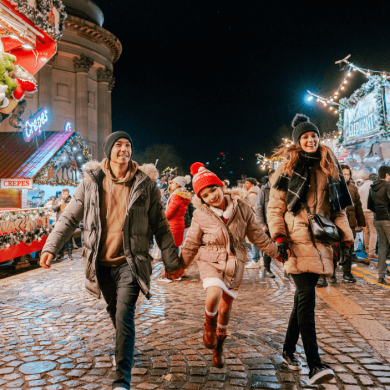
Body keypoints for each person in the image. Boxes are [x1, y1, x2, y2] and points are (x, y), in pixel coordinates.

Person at [39, 131, 183, 390]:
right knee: (114, 312)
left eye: (128, 145)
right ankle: (123, 346)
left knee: (124, 314)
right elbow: (69, 217)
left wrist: (172, 263)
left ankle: (121, 379)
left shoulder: (145, 184)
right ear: (108, 150)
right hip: (101, 263)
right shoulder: (91, 182)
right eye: (119, 145)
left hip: (132, 261)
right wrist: (51, 246)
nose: (124, 149)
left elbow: (161, 226)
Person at [267, 114, 353, 385]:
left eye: (313, 136)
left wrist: (346, 239)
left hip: (322, 241)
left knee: (301, 301)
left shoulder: (330, 167)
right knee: (307, 298)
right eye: (304, 137)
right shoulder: (287, 169)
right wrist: (279, 238)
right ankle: (314, 364)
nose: (310, 140)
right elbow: (275, 207)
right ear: (297, 141)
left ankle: (288, 351)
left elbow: (337, 210)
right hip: (294, 240)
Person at [180, 162, 279, 368]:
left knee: (225, 311)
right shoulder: (200, 214)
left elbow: (257, 237)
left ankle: (219, 348)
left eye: (213, 190)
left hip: (235, 263)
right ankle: (208, 327)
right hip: (210, 259)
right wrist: (179, 266)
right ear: (201, 199)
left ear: (221, 187)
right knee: (213, 293)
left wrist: (278, 254)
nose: (211, 197)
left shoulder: (242, 208)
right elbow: (191, 243)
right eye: (205, 195)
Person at [328, 164, 365, 284]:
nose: (346, 176)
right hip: (334, 223)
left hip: (350, 223)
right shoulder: (332, 186)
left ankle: (347, 273)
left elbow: (358, 206)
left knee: (348, 249)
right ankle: (332, 274)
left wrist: (362, 223)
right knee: (332, 249)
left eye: (348, 174)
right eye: (344, 174)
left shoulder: (353, 188)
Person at [249, 169, 276, 277]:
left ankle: (287, 270)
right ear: (270, 178)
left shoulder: (283, 189)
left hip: (281, 223)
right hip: (268, 224)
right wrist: (262, 224)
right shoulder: (264, 190)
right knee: (268, 247)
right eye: (275, 176)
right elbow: (258, 208)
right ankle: (267, 269)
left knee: (284, 246)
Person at [368, 165, 390, 285]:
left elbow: (370, 205)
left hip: (378, 220)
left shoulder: (373, 187)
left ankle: (381, 276)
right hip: (388, 219)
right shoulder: (388, 185)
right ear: (387, 175)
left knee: (382, 248)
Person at [166, 175, 192, 252]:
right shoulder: (182, 195)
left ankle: (173, 263)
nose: (171, 185)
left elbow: (169, 212)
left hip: (173, 224)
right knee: (175, 245)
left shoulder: (176, 196)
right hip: (179, 223)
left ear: (177, 184)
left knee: (171, 247)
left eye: (173, 183)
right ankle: (175, 262)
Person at [359, 173, 378, 264]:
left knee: (365, 232)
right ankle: (372, 252)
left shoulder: (362, 186)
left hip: (362, 211)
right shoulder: (373, 186)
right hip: (370, 211)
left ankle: (367, 251)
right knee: (373, 231)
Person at [244, 177, 261, 266]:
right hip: (256, 220)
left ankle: (255, 260)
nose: (245, 185)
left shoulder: (252, 195)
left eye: (247, 183)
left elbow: (245, 206)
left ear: (252, 184)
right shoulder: (256, 192)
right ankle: (258, 259)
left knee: (253, 240)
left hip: (253, 220)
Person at [52, 189, 73, 261]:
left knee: (69, 239)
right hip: (60, 222)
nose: (63, 196)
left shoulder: (71, 201)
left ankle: (70, 255)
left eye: (65, 194)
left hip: (68, 221)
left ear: (68, 194)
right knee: (60, 238)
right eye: (62, 194)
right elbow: (53, 209)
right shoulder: (58, 201)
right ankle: (60, 255)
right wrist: (58, 205)